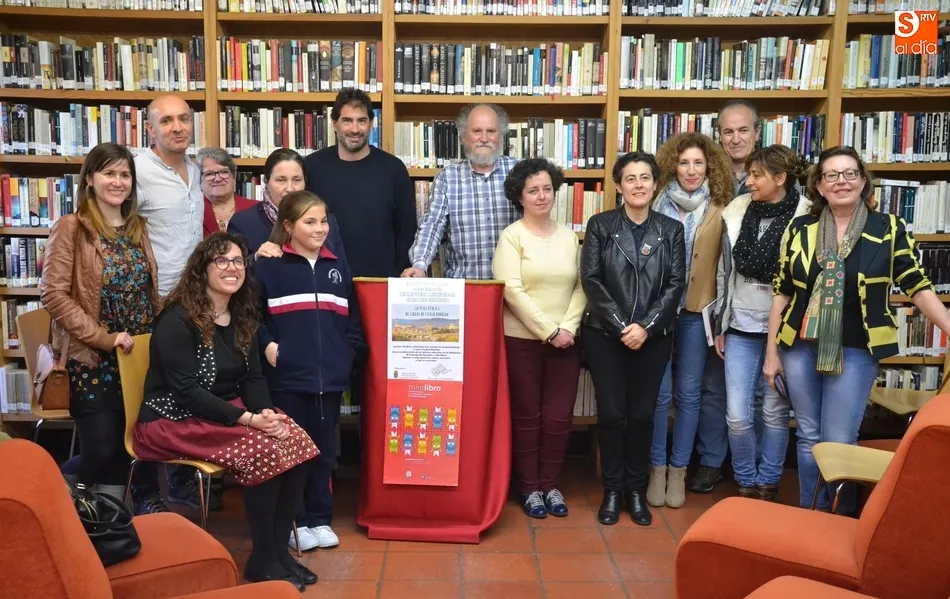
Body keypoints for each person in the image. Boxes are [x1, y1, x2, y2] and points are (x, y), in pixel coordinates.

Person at [765, 145, 950, 512]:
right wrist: (771, 353)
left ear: (863, 181)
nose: (841, 181)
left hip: (857, 349)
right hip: (799, 346)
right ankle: (811, 517)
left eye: (850, 173)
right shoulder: (802, 229)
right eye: (831, 175)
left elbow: (917, 286)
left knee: (839, 440)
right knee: (808, 437)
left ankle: (839, 522)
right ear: (819, 186)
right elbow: (782, 292)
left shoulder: (888, 229)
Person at [132, 232, 319, 592]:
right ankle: (263, 558)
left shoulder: (240, 315)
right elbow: (186, 393)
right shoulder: (177, 320)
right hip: (171, 418)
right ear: (202, 269)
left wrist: (265, 414)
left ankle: (279, 552)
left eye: (238, 261)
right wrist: (250, 422)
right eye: (221, 261)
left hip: (223, 412)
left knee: (297, 441)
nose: (232, 268)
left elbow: (253, 378)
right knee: (263, 451)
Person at [40, 142, 160, 501]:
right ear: (90, 179)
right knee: (101, 450)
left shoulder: (138, 228)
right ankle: (39, 497)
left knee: (125, 451)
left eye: (125, 174)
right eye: (109, 173)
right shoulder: (72, 227)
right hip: (91, 357)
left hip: (135, 355)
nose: (118, 181)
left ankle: (108, 523)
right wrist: (104, 338)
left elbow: (145, 293)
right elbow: (53, 295)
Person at [255, 191, 365, 553]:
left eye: (323, 221)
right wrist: (270, 346)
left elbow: (350, 315)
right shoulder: (269, 266)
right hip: (287, 377)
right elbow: (252, 316)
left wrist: (346, 352)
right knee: (291, 450)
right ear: (288, 226)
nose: (320, 229)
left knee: (324, 452)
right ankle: (296, 520)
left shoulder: (337, 266)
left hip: (328, 377)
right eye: (309, 222)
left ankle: (320, 518)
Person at [581, 152, 686, 526]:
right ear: (619, 185)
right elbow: (591, 280)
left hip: (653, 337)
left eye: (645, 178)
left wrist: (647, 326)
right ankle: (612, 491)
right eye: (630, 178)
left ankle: (636, 491)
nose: (638, 184)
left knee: (643, 416)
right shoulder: (601, 225)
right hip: (604, 335)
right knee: (611, 415)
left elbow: (676, 285)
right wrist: (622, 324)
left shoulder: (671, 230)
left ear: (656, 184)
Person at [714, 145, 811, 501]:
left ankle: (767, 481)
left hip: (785, 333)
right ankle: (745, 477)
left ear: (780, 178)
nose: (749, 181)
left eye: (757, 175)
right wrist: (721, 323)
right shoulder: (737, 212)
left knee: (774, 411)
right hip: (740, 326)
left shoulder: (808, 216)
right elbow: (724, 272)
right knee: (738, 414)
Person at [491, 158, 586, 519]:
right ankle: (529, 488)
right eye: (533, 190)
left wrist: (568, 329)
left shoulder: (567, 236)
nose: (542, 195)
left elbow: (582, 285)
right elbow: (511, 290)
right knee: (527, 416)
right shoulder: (512, 236)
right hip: (522, 342)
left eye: (547, 188)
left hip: (566, 340)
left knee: (559, 417)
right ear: (520, 196)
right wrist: (548, 331)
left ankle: (551, 483)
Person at [647, 132, 734, 509]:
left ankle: (680, 469)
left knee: (689, 394)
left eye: (699, 163)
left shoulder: (723, 207)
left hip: (699, 313)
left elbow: (728, 267)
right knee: (659, 394)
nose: (692, 170)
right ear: (672, 166)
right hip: (658, 313)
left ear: (709, 166)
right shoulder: (652, 202)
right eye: (684, 163)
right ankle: (657, 468)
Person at [130, 93, 206, 515]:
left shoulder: (195, 171)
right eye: (166, 121)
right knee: (148, 396)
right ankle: (145, 490)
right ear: (151, 129)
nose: (176, 127)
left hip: (192, 305)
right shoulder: (137, 173)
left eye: (183, 119)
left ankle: (182, 483)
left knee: (185, 393)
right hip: (151, 305)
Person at [304, 89, 417, 278]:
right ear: (334, 124)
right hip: (325, 278)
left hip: (380, 281)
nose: (355, 129)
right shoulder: (312, 167)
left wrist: (399, 273)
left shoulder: (393, 169)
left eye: (362, 120)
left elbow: (406, 229)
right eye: (347, 120)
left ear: (371, 124)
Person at [402, 103, 520, 280]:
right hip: (464, 289)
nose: (484, 138)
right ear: (463, 137)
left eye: (491, 131)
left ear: (501, 136)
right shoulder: (447, 177)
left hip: (512, 289)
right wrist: (419, 265)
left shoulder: (519, 172)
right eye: (477, 131)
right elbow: (433, 225)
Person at [228, 148, 345, 260]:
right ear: (266, 182)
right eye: (281, 180)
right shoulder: (242, 222)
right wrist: (255, 258)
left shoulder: (326, 222)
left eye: (297, 180)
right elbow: (231, 269)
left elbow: (341, 273)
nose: (290, 188)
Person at [198, 147, 256, 238]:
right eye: (209, 174)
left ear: (234, 177)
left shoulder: (256, 209)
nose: (217, 179)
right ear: (199, 180)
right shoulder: (192, 212)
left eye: (224, 172)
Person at [719, 99, 762, 196]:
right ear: (720, 136)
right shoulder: (706, 173)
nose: (736, 140)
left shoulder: (776, 171)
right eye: (728, 132)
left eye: (743, 131)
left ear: (757, 132)